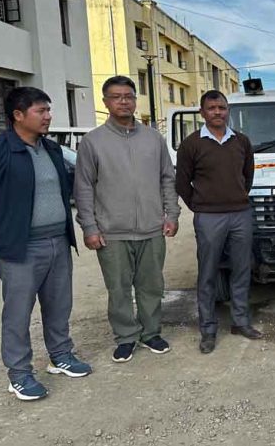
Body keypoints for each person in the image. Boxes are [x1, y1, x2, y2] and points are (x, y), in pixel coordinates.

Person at [0, 87, 91, 401]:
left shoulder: (50, 149)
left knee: (59, 305)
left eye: (48, 110)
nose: (48, 116)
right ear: (18, 115)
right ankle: (19, 374)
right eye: (41, 111)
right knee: (18, 313)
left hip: (57, 242)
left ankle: (60, 355)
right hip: (19, 248)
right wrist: (0, 229)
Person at [75, 76, 180, 363]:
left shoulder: (153, 139)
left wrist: (172, 214)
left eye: (129, 96)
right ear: (105, 101)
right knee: (118, 289)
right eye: (116, 96)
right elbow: (83, 187)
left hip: (151, 228)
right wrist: (89, 227)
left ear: (135, 100)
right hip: (112, 232)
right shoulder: (93, 142)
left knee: (151, 286)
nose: (124, 101)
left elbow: (167, 180)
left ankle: (151, 333)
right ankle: (125, 337)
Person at [175, 90, 262, 353]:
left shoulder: (242, 142)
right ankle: (208, 330)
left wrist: (236, 200)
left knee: (241, 269)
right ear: (202, 112)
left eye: (222, 108)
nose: (217, 112)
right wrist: (201, 206)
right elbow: (182, 182)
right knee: (208, 273)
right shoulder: (191, 144)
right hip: (208, 217)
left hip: (240, 214)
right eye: (211, 108)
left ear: (228, 111)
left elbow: (248, 176)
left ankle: (240, 321)